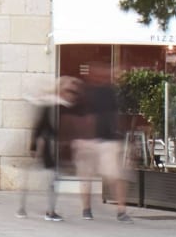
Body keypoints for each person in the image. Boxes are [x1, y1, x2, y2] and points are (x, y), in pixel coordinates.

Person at [74, 63, 130, 222]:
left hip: (107, 140)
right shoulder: (84, 92)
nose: (101, 76)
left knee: (115, 176)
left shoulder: (109, 92)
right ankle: (87, 209)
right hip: (88, 140)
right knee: (87, 177)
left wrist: (118, 134)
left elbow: (115, 115)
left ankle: (121, 210)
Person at [18, 81, 70, 221]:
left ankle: (23, 209)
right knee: (51, 178)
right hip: (46, 148)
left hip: (45, 146)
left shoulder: (52, 103)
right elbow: (42, 125)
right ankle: (49, 212)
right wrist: (35, 146)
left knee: (42, 178)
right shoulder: (50, 103)